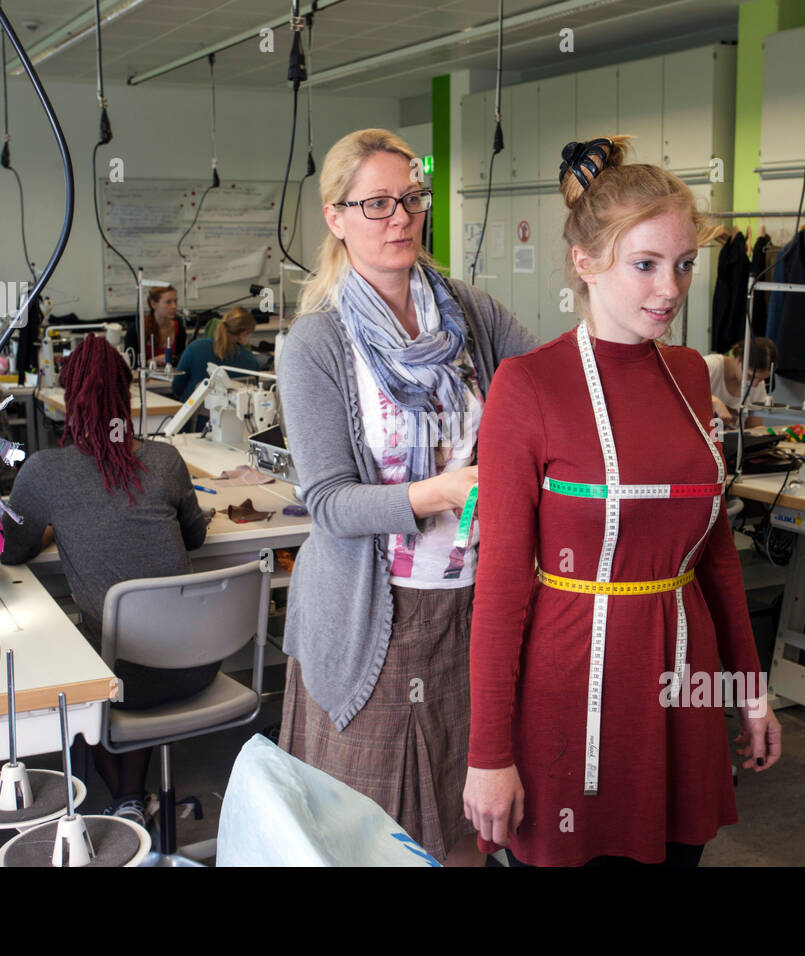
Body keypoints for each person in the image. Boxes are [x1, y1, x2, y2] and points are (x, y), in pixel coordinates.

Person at [463, 136, 782, 867]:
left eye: (683, 264)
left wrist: (750, 690)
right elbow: (503, 586)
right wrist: (488, 755)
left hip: (681, 683)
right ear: (586, 262)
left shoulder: (689, 376)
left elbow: (717, 559)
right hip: (573, 690)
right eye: (644, 264)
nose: (668, 289)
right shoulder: (529, 386)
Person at [276, 128, 537, 867]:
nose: (401, 218)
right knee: (368, 837)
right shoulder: (317, 344)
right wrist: (439, 492)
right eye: (377, 203)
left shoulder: (469, 313)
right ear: (336, 216)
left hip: (474, 602)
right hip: (376, 621)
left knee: (467, 825)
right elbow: (328, 504)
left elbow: (547, 381)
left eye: (412, 199)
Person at [0, 335, 214, 826]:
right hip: (197, 664)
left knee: (85, 658)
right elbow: (194, 538)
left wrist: (58, 523)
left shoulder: (46, 471)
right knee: (121, 651)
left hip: (125, 681)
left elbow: (11, 548)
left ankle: (127, 802)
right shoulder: (164, 460)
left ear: (67, 399)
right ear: (128, 393)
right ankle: (132, 800)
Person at [170, 306, 259, 400]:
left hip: (193, 412)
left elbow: (177, 388)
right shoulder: (251, 361)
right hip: (231, 414)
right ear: (244, 334)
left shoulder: (195, 347)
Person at [703, 337, 777, 428]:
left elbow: (754, 426)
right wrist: (714, 401)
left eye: (762, 379)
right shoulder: (709, 366)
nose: (755, 384)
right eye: (750, 376)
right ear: (739, 360)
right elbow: (682, 395)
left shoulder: (758, 384)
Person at [144, 285, 183, 366]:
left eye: (175, 301)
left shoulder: (179, 328)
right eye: (168, 302)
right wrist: (149, 362)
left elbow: (182, 361)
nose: (174, 306)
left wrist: (173, 360)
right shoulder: (138, 329)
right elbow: (129, 364)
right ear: (153, 304)